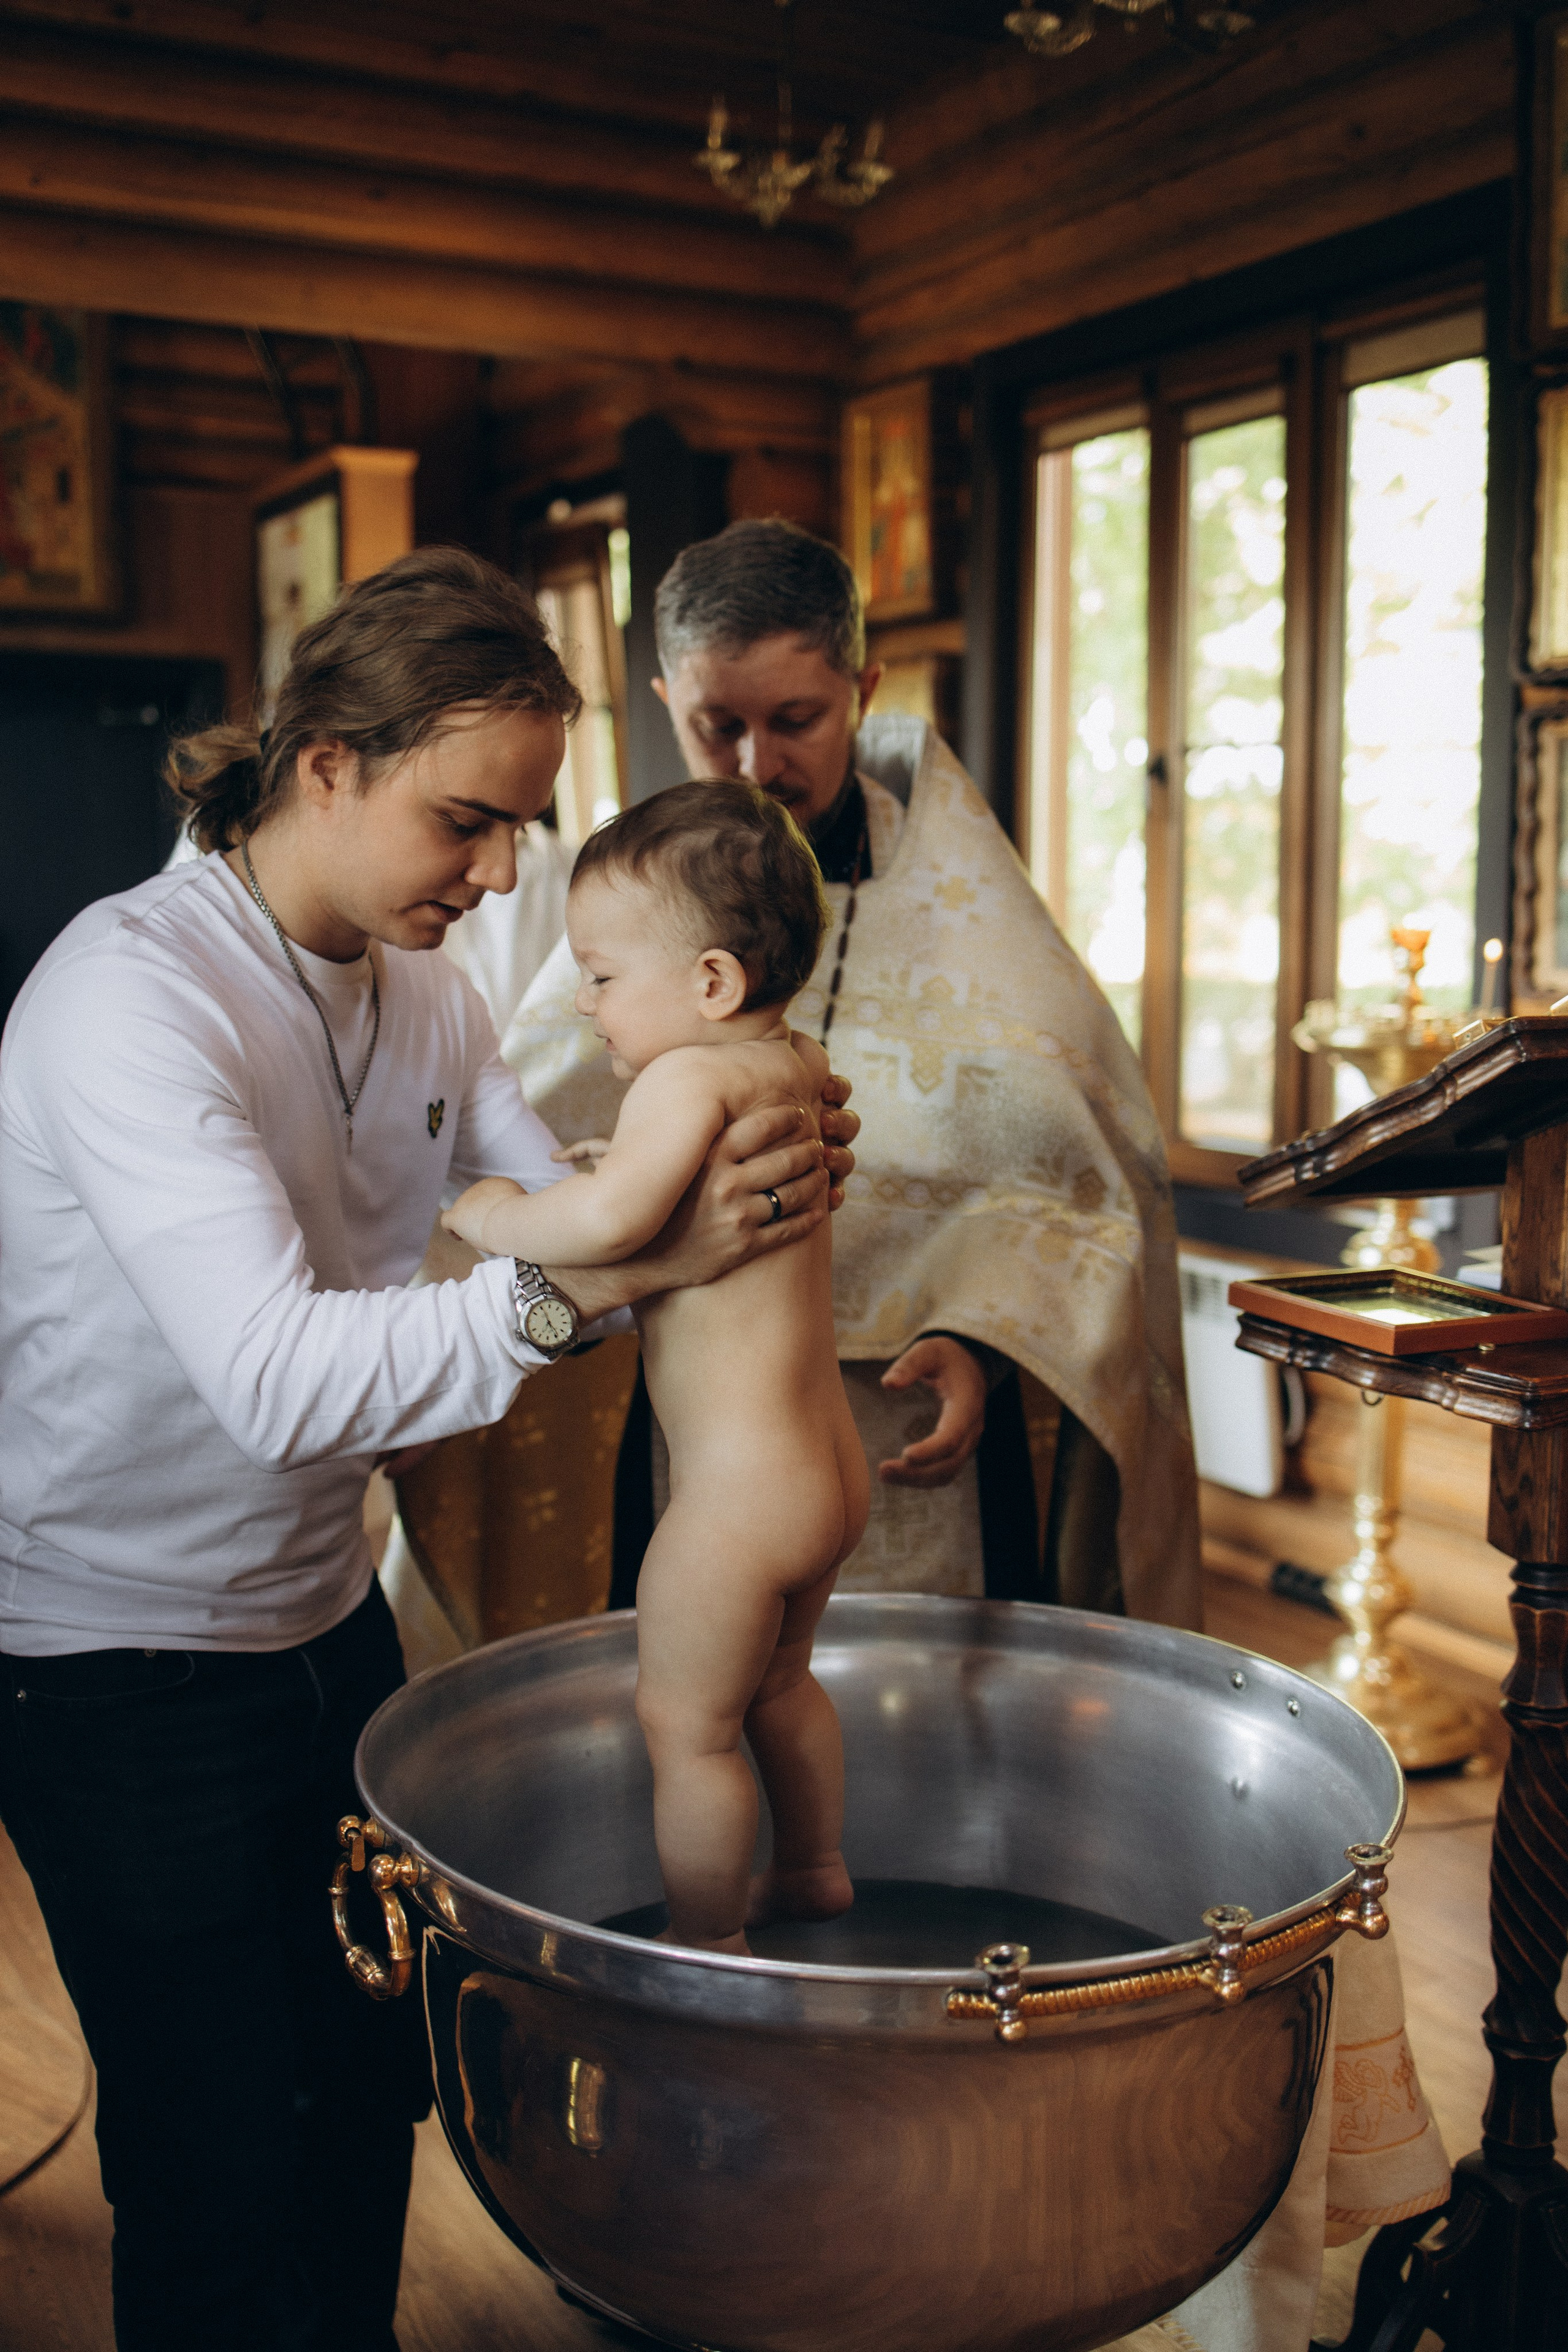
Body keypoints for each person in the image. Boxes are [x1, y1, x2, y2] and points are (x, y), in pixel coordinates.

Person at [0, 546, 858, 2352]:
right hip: (116, 1668)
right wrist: (639, 1253)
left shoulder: (435, 996)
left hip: (333, 1633)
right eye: (464, 823)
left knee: (366, 2106)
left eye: (517, 838)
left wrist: (742, 1162)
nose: (492, 878)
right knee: (220, 2163)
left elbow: (584, 1230)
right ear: (325, 763)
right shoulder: (128, 999)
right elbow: (286, 1382)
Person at [506, 519, 1200, 1627]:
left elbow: (1071, 1185)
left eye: (796, 721)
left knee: (928, 1756)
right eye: (712, 725)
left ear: (864, 688)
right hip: (692, 1436)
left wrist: (983, 1342)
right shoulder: (635, 908)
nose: (753, 767)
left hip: (913, 1433)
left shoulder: (972, 914)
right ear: (663, 695)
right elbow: (539, 1115)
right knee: (704, 1712)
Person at [444, 782, 867, 1953]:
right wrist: (607, 1168)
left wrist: (493, 1213)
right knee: (785, 1685)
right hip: (828, 1475)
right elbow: (666, 1189)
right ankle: (816, 1868)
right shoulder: (794, 1057)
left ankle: (708, 1944)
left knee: (686, 1728)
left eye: (602, 974)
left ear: (713, 983)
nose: (584, 1003)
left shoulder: (683, 1079)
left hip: (735, 1506)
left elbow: (612, 1226)